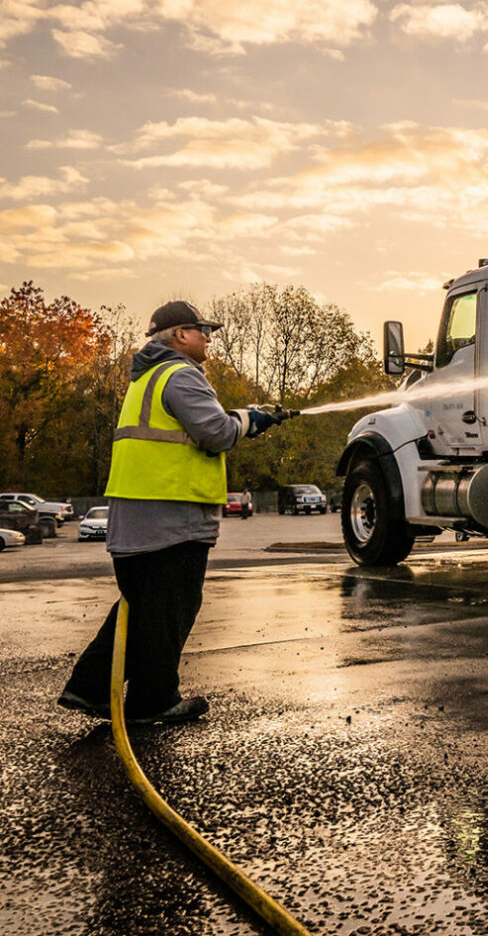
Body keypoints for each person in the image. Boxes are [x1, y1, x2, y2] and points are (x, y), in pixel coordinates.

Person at [59, 301, 282, 726]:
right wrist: (247, 419)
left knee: (143, 608)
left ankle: (88, 688)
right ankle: (154, 700)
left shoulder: (146, 379)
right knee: (170, 608)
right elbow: (215, 433)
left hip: (135, 517)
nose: (209, 338)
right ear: (180, 335)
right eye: (203, 330)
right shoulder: (181, 375)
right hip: (170, 519)